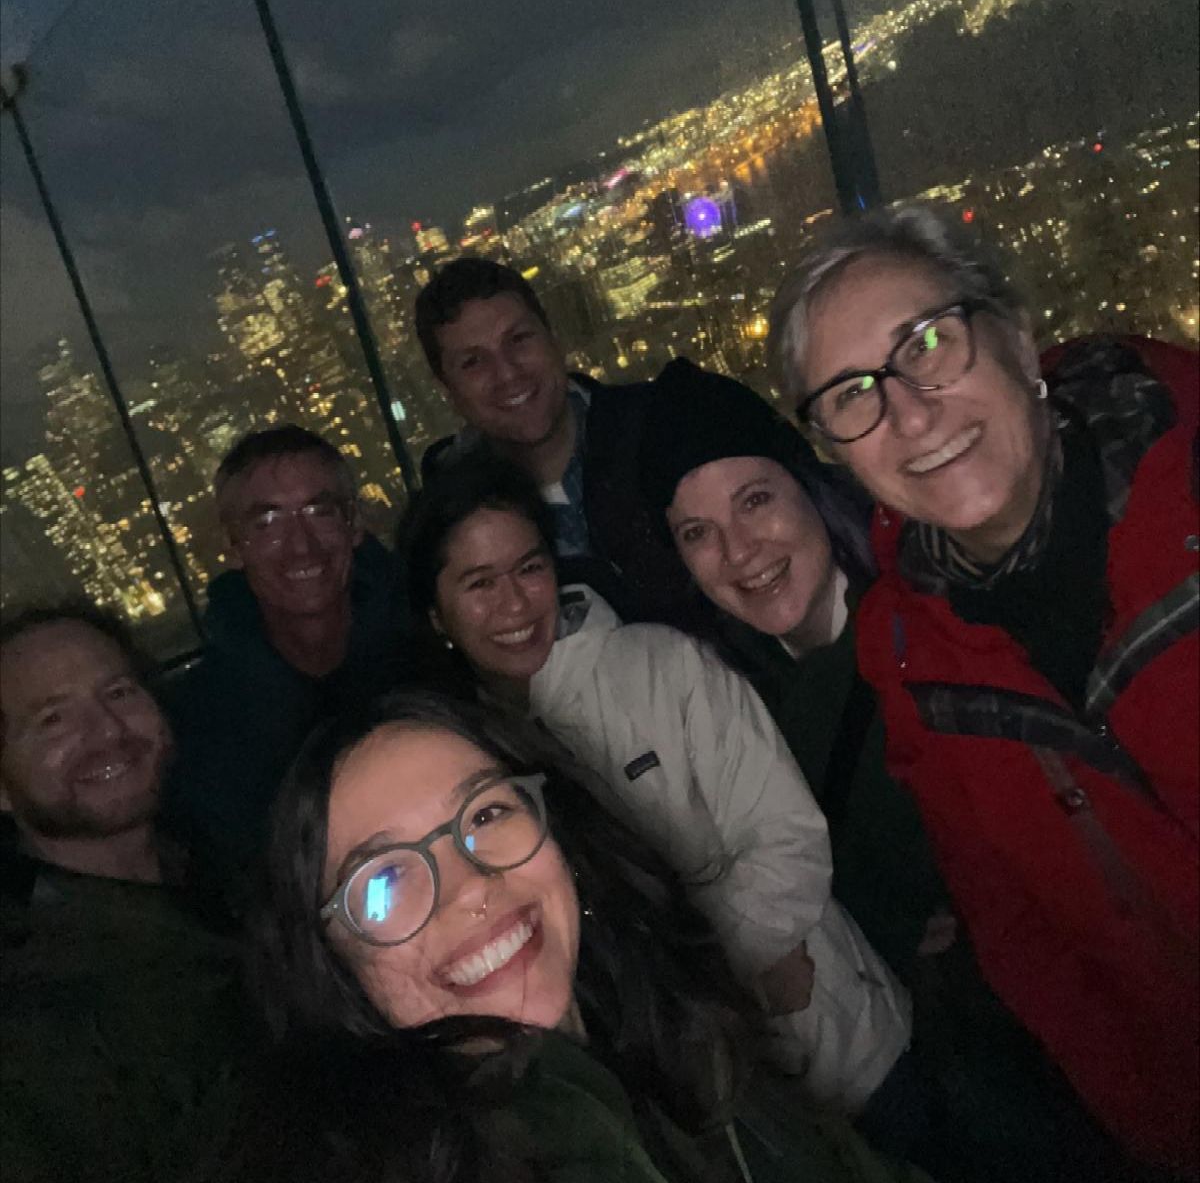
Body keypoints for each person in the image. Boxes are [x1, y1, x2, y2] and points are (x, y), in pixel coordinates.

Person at [225, 688, 1018, 1183]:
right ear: (333, 968)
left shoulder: (689, 1037)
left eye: (487, 812)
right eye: (383, 880)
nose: (470, 885)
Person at [770, 204, 1199, 1178]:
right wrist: (1161, 1129)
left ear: (1013, 334)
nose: (911, 413)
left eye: (928, 343)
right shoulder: (906, 657)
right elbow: (1022, 936)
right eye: (852, 394)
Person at [401, 457, 914, 1127]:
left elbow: (787, 836)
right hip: (683, 1102)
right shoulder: (456, 760)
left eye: (529, 568)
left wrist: (700, 978)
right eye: (479, 582)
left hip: (836, 1045)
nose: (515, 604)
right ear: (436, 613)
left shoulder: (661, 666)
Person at [637, 356, 952, 980]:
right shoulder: (719, 703)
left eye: (754, 500)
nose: (739, 550)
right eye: (697, 532)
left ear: (808, 486)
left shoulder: (935, 618)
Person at [0, 604, 246, 1183]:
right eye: (53, 719)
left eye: (118, 692)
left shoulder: (218, 869)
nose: (107, 731)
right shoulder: (31, 1026)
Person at [164, 425, 408, 902]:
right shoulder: (203, 724)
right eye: (268, 523)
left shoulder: (430, 643)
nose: (301, 545)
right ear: (234, 545)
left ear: (354, 524)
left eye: (320, 511)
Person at [415, 256, 716, 628]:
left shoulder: (664, 428)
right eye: (474, 362)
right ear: (447, 390)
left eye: (519, 340)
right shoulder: (451, 520)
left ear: (553, 339)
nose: (507, 373)